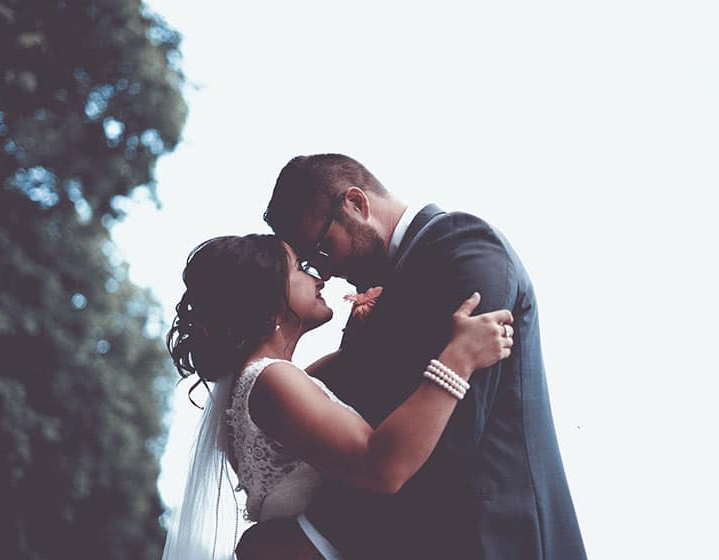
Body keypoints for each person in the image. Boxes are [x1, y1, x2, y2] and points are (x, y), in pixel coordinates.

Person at [241, 153, 587, 559]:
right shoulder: (402, 277)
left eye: (322, 250)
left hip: (497, 539)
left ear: (356, 204)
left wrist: (312, 537)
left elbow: (447, 440)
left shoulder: (465, 247)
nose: (327, 273)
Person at [161, 234, 514, 560]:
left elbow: (354, 362)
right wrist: (460, 358)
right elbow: (382, 467)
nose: (320, 278)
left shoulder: (277, 380)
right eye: (300, 268)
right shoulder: (270, 379)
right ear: (268, 297)